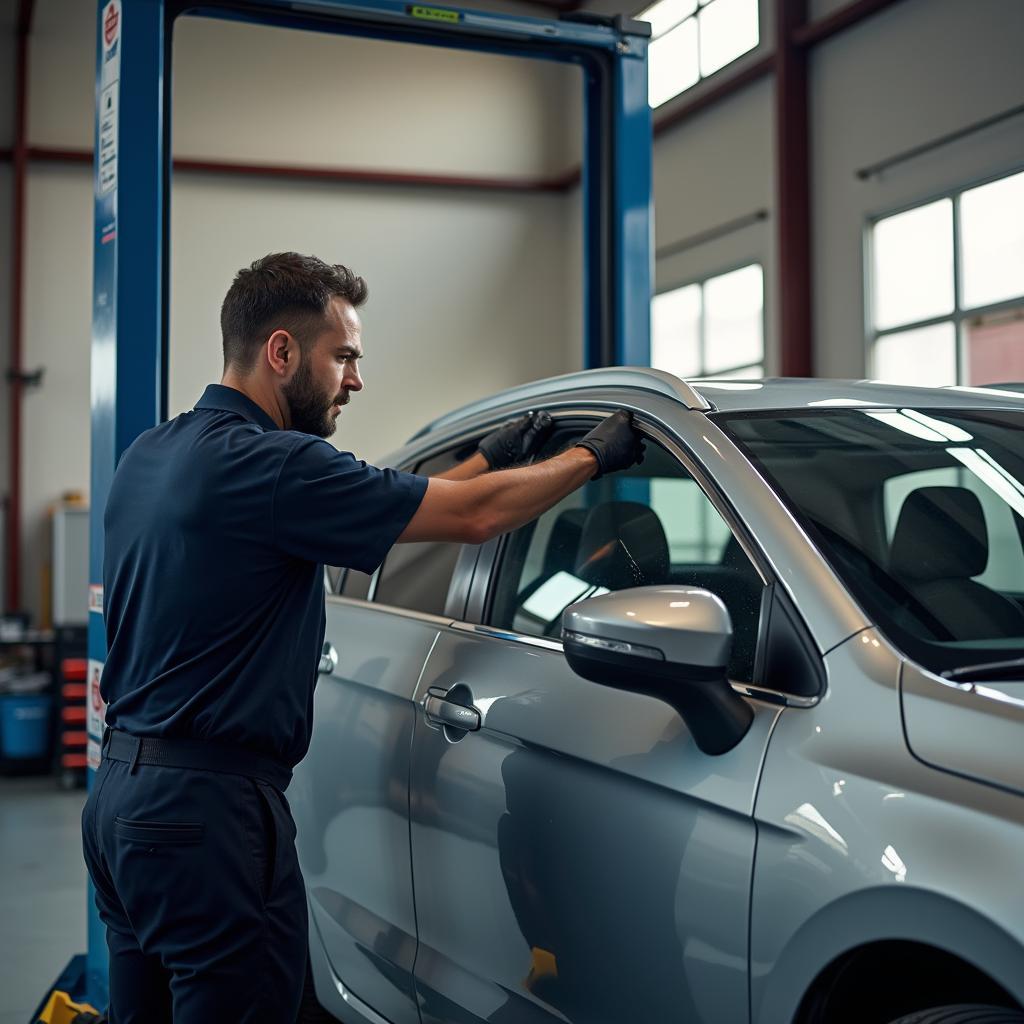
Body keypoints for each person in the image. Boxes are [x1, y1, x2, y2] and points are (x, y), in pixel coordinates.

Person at [81, 251, 644, 1022]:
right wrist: (592, 455)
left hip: (119, 801)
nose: (355, 379)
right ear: (282, 352)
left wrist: (489, 456)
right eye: (342, 356)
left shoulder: (153, 454)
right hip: (207, 818)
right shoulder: (276, 467)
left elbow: (363, 499)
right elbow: (475, 516)